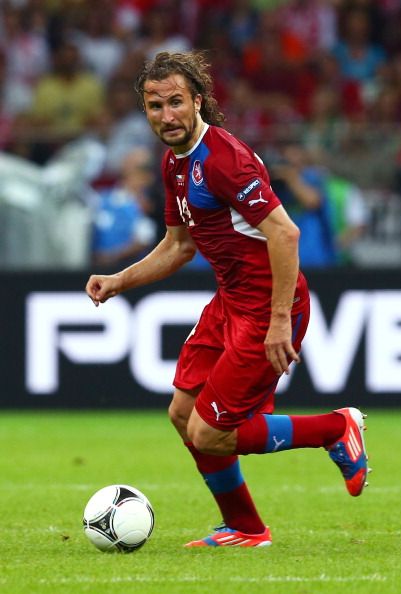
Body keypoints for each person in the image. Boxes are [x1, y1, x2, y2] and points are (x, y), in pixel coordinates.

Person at [85, 51, 370, 548]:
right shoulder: (175, 163)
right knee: (183, 413)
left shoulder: (224, 161)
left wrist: (280, 319)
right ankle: (244, 528)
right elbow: (179, 245)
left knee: (210, 433)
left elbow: (285, 233)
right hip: (232, 300)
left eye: (176, 102)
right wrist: (119, 280)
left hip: (266, 305)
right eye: (155, 106)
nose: (166, 115)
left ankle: (334, 427)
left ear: (198, 100)